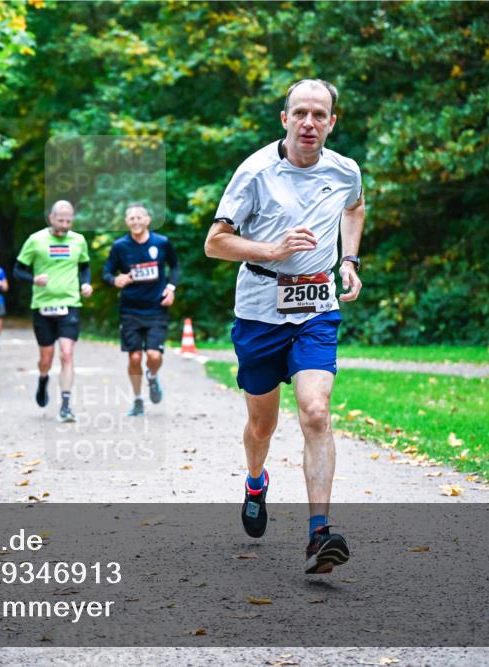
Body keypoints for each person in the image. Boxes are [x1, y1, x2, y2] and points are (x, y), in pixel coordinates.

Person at [204, 78, 365, 574]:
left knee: (316, 411)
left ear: (332, 122)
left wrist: (349, 259)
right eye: (301, 113)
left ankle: (320, 534)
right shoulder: (254, 171)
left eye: (320, 114)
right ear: (285, 119)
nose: (309, 123)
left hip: (317, 308)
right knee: (262, 424)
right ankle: (256, 481)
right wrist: (272, 250)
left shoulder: (345, 171)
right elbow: (215, 242)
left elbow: (354, 207)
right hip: (258, 311)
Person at [13, 200, 93, 422]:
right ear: (50, 218)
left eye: (68, 221)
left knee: (67, 354)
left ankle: (66, 405)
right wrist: (34, 279)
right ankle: (43, 377)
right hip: (43, 305)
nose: (65, 225)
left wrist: (85, 284)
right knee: (46, 358)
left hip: (70, 304)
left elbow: (85, 266)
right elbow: (17, 270)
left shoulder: (78, 240)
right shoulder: (35, 240)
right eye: (60, 220)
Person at [102, 203, 180, 417]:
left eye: (139, 217)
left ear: (147, 220)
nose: (135, 221)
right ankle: (137, 400)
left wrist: (171, 289)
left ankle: (152, 377)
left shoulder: (161, 243)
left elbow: (175, 266)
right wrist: (115, 279)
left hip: (156, 309)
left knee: (153, 355)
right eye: (131, 218)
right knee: (134, 358)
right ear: (126, 222)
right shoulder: (120, 246)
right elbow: (107, 272)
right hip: (130, 310)